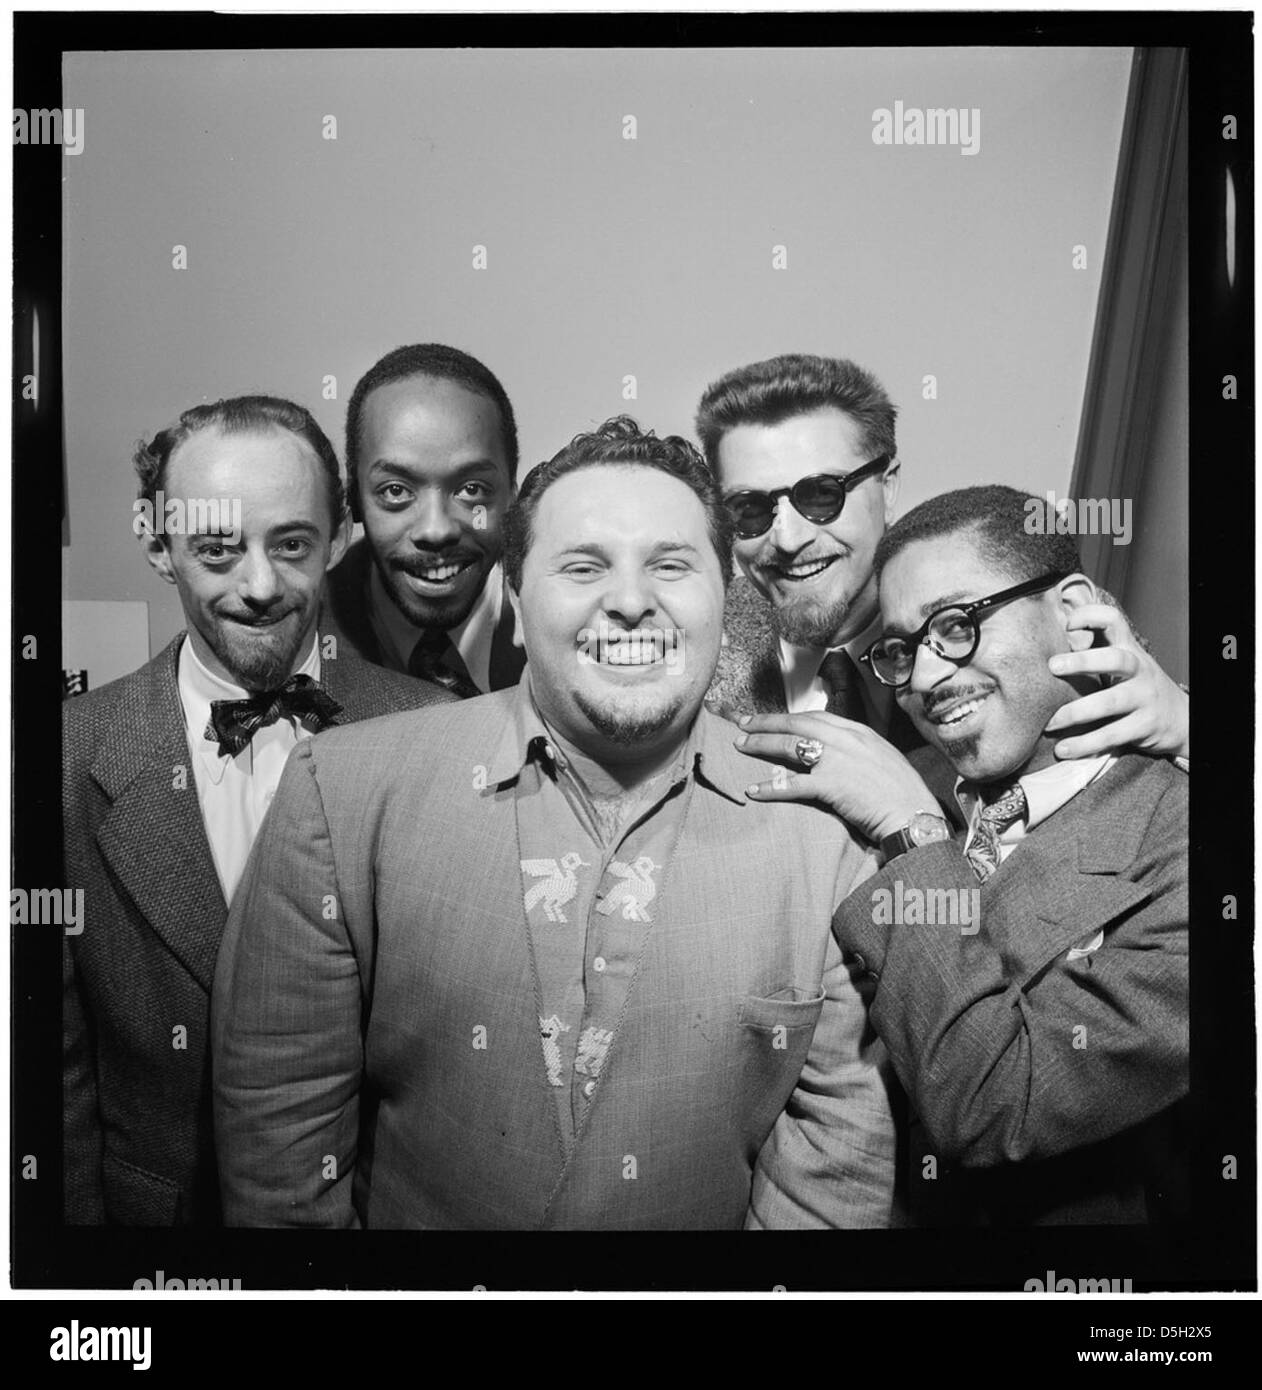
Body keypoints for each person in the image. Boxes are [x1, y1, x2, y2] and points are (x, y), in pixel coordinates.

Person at [213, 416, 896, 1230]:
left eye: (672, 565)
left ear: (725, 598)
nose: (632, 601)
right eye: (583, 565)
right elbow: (278, 1129)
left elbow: (835, 1168)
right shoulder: (342, 792)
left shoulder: (828, 837)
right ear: (512, 598)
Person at [737, 485, 1188, 1225]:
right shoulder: (919, 799)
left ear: (1074, 610)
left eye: (955, 626)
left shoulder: (1193, 839)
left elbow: (998, 1104)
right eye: (902, 649)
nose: (922, 679)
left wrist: (913, 833)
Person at [63, 394, 453, 1226]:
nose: (261, 586)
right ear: (158, 545)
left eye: (292, 544)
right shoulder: (62, 757)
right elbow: (52, 1074)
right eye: (216, 549)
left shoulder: (437, 734)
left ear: (340, 538)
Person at [696, 353, 1189, 774]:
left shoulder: (1025, 606)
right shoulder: (698, 646)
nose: (787, 538)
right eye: (750, 509)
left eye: (822, 495)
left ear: (887, 487)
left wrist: (1188, 727)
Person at [322, 343, 526, 696]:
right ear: (353, 499)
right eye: (396, 491)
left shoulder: (572, 621)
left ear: (513, 496)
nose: (436, 530)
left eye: (472, 489)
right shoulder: (306, 634)